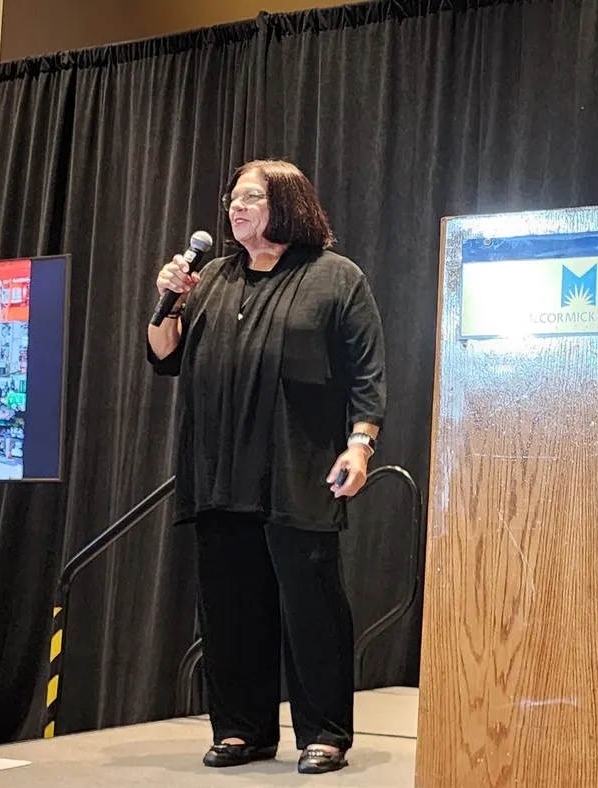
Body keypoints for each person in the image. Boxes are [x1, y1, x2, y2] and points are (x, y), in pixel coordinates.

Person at [145, 159, 386, 775]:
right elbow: (162, 355)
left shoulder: (336, 278)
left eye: (251, 196)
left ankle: (325, 731)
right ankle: (242, 729)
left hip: (298, 467)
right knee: (229, 606)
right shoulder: (213, 278)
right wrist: (167, 301)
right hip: (219, 468)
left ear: (289, 203)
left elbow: (367, 374)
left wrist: (359, 445)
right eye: (232, 198)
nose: (236, 206)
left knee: (310, 606)